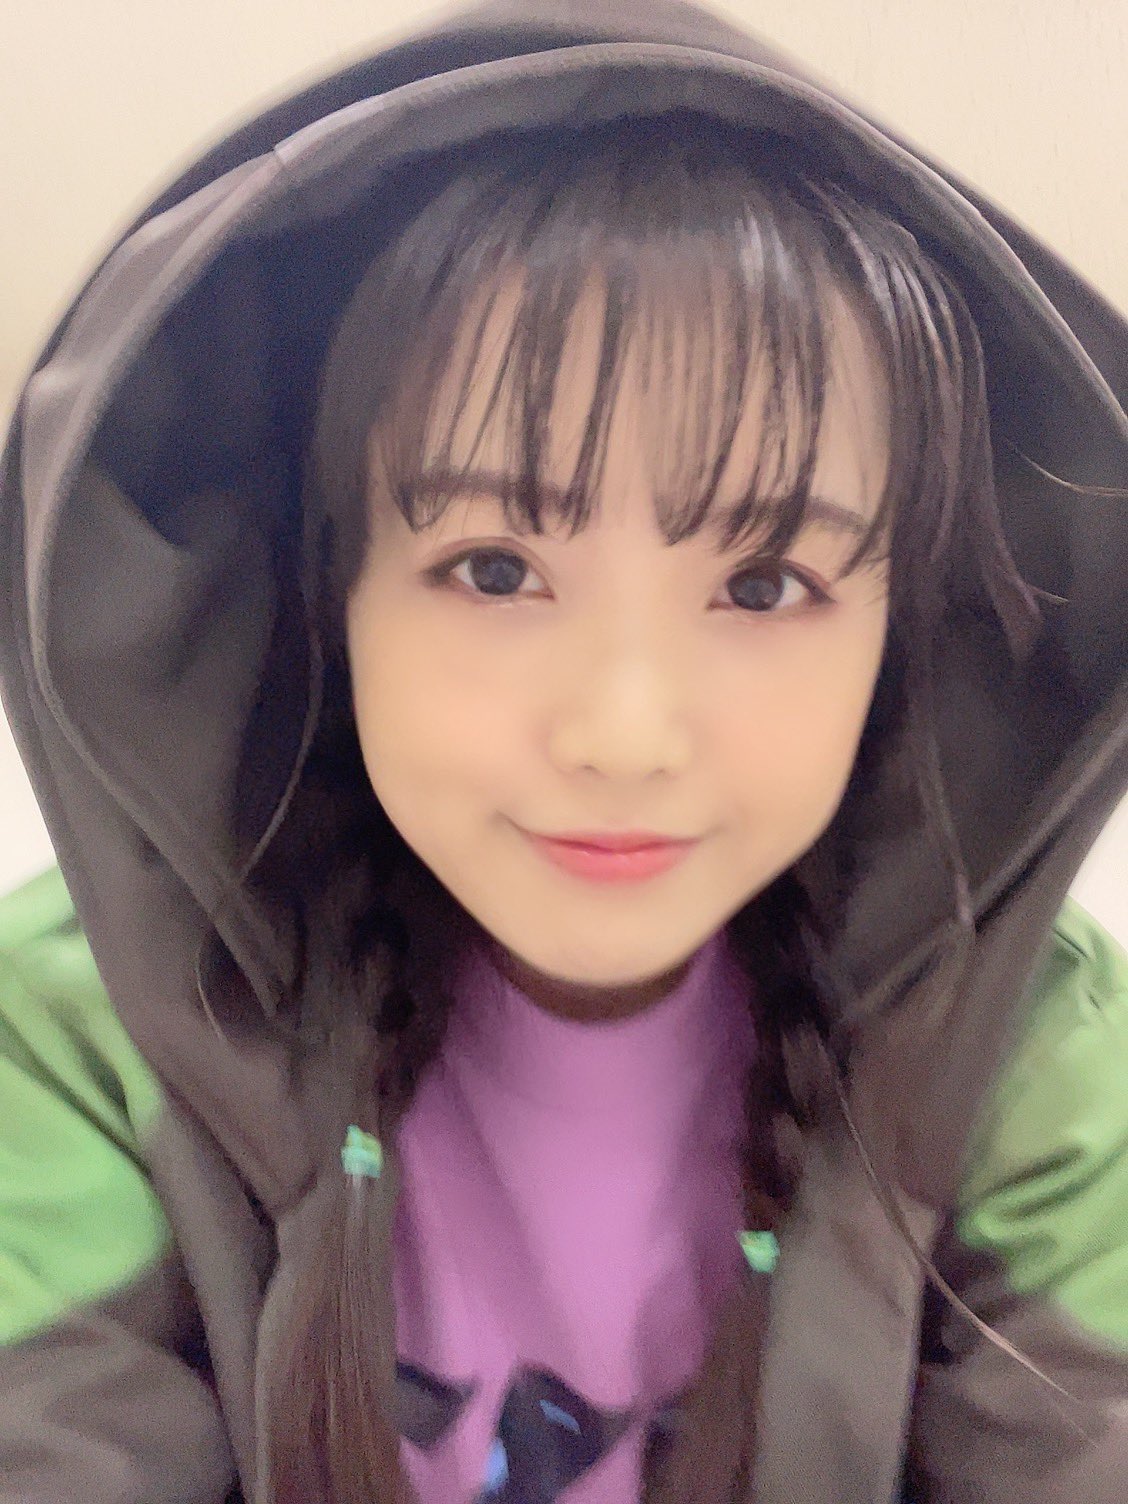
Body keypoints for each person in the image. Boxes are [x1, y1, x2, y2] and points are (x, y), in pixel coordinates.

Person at [0, 1, 1125, 1500]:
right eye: (494, 569)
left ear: (898, 640)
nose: (622, 735)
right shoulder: (93, 1029)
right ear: (331, 595)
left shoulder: (1030, 1059)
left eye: (766, 584)